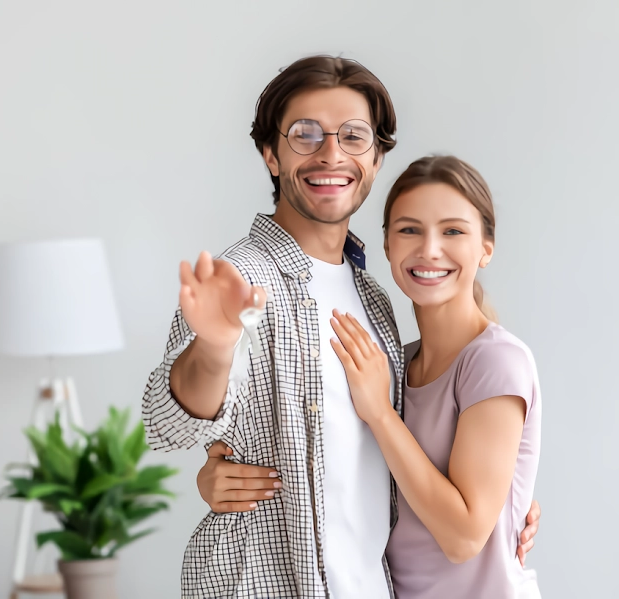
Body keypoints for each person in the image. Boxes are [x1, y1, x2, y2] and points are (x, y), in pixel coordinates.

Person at [142, 55, 540, 598]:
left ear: (375, 161)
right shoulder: (241, 280)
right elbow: (172, 425)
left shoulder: (374, 301)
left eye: (353, 136)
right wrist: (214, 348)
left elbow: (387, 457)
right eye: (305, 134)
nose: (331, 153)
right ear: (270, 156)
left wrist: (503, 506)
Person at [198, 155, 543, 598]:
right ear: (386, 245)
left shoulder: (495, 361)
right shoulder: (394, 362)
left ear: (486, 248)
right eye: (409, 229)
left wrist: (380, 412)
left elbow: (463, 538)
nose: (429, 249)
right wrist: (218, 477)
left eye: (453, 231)